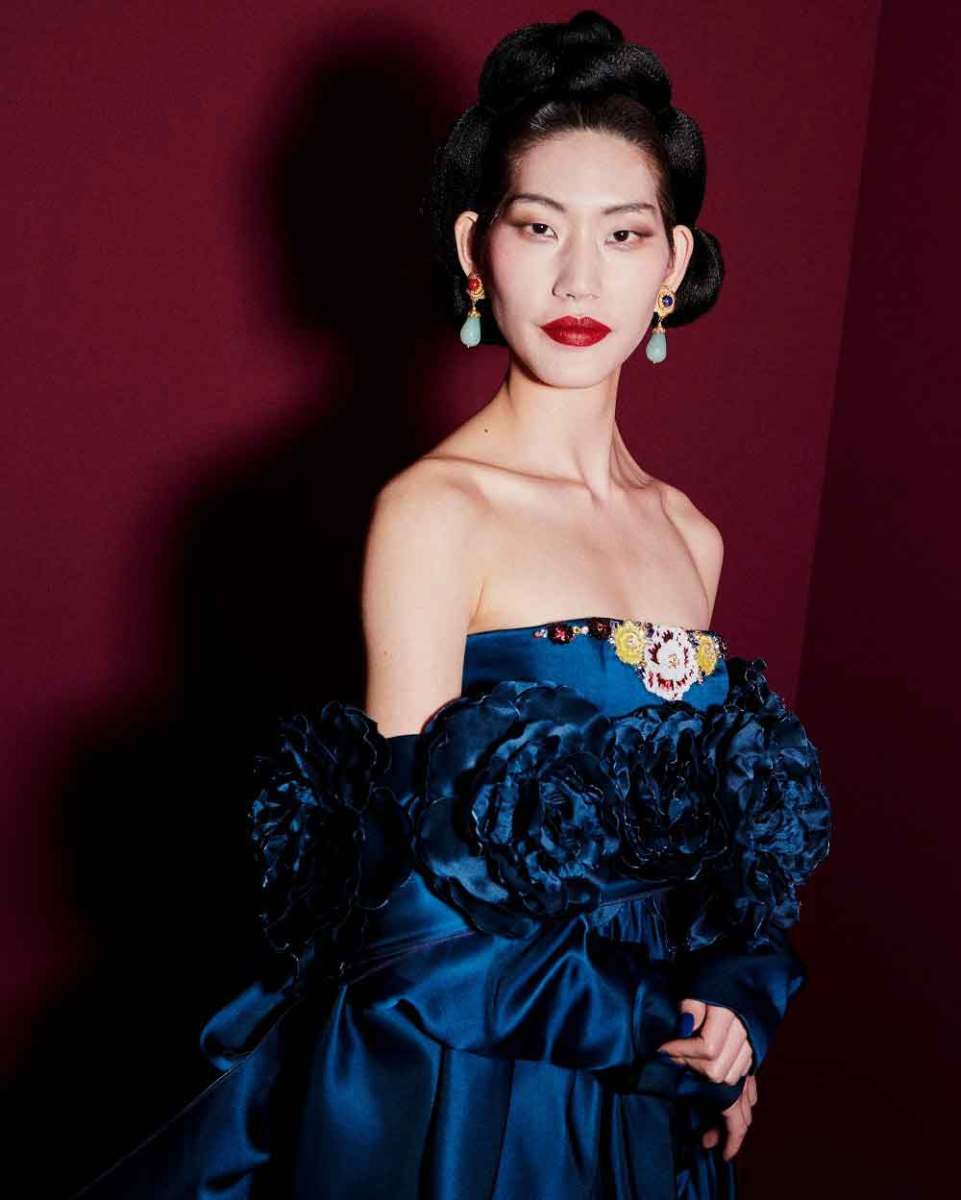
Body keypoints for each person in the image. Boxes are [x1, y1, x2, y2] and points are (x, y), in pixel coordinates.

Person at [73, 9, 831, 1199]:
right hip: (479, 1076)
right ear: (479, 248)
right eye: (539, 226)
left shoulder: (691, 537)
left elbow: (700, 871)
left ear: (672, 264)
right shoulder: (435, 511)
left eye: (623, 233)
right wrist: (643, 1028)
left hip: (649, 1092)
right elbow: (402, 910)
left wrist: (726, 1026)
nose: (578, 278)